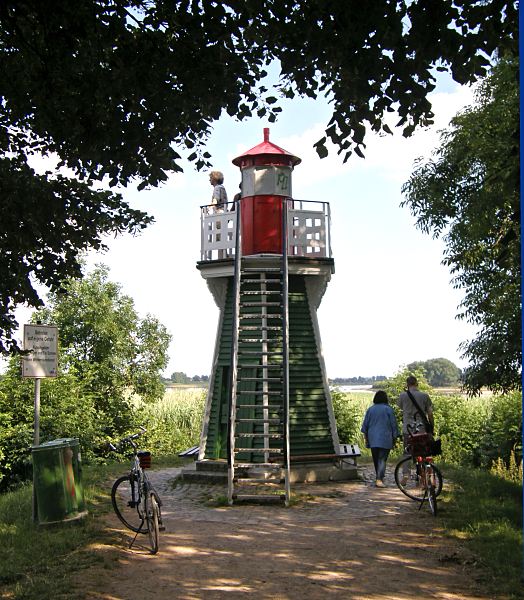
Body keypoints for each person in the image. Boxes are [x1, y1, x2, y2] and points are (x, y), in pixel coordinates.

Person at [397, 375, 434, 483]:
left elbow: (400, 407)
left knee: (407, 452)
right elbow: (430, 414)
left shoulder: (403, 396)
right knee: (423, 453)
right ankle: (424, 477)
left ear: (407, 384)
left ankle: (405, 475)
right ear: (417, 383)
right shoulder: (424, 396)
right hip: (421, 429)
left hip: (407, 429)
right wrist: (431, 427)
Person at [361, 390, 400, 487]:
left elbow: (365, 426)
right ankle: (379, 479)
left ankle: (379, 477)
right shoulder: (388, 409)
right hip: (385, 438)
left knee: (376, 459)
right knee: (382, 459)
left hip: (373, 437)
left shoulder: (370, 409)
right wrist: (395, 438)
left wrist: (366, 439)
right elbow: (393, 425)